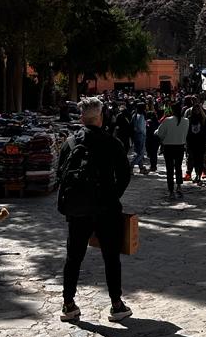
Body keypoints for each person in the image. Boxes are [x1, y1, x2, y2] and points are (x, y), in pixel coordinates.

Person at [56, 97, 132, 323]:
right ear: (100, 117)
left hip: (78, 211)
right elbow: (124, 175)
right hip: (107, 210)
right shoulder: (112, 142)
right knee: (111, 258)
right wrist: (112, 196)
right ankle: (116, 305)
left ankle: (68, 304)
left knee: (73, 258)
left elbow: (61, 174)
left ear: (81, 118)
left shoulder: (70, 143)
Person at [157, 102, 189, 198]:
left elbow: (160, 133)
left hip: (169, 147)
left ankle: (171, 190)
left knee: (169, 169)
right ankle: (179, 186)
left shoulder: (167, 120)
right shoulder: (186, 121)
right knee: (178, 167)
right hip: (180, 147)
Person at [186, 102, 206, 183]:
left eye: (198, 109)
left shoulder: (204, 119)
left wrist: (204, 139)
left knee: (200, 160)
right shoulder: (189, 119)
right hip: (191, 143)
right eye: (195, 109)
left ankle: (198, 175)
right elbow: (187, 131)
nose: (196, 111)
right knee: (192, 159)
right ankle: (192, 173)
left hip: (201, 143)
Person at [130, 103, 149, 174]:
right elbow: (140, 128)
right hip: (141, 135)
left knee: (138, 152)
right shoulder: (141, 116)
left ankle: (141, 168)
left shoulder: (135, 115)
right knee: (140, 153)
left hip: (136, 135)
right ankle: (131, 165)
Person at [146, 106, 161, 173]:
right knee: (154, 153)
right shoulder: (157, 122)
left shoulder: (148, 122)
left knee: (151, 153)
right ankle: (154, 166)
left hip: (150, 139)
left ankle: (153, 166)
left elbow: (147, 130)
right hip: (156, 139)